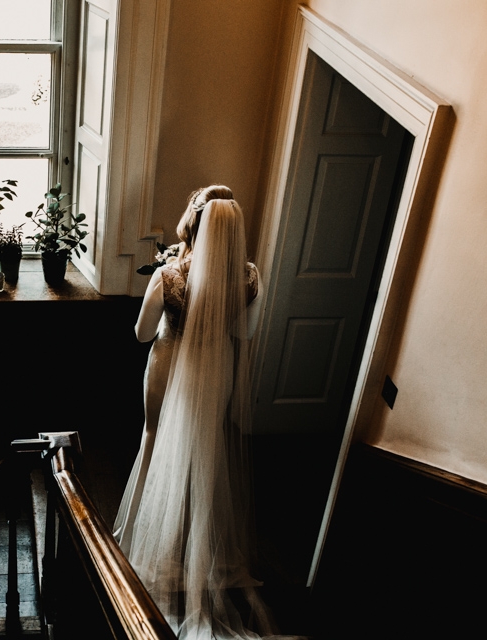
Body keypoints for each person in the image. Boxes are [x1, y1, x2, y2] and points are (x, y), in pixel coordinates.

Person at [115, 185, 270, 639]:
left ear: (193, 224)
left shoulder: (169, 276)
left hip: (169, 363)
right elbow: (244, 332)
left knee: (152, 437)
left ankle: (143, 538)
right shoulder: (249, 278)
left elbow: (142, 335)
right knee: (204, 449)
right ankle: (201, 547)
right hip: (215, 369)